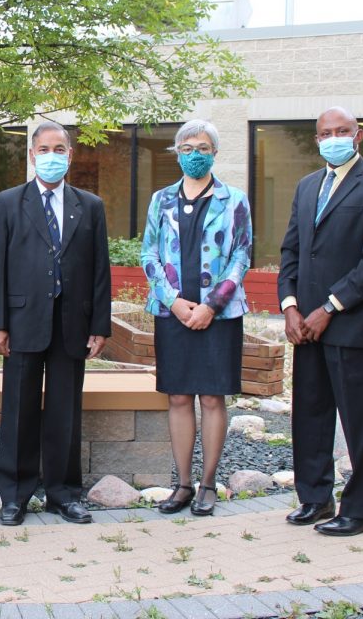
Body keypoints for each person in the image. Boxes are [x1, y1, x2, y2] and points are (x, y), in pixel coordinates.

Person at [280, 106, 363, 537]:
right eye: (325, 132)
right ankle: (315, 499)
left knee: (360, 421)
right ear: (317, 140)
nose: (334, 137)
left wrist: (329, 307)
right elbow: (291, 252)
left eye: (342, 130)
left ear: (358, 136)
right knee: (309, 415)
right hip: (305, 326)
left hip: (348, 324)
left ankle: (361, 510)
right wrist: (291, 306)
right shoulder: (307, 186)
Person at [0, 120, 112, 525]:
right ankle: (15, 495)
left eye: (60, 149)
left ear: (70, 155)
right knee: (18, 409)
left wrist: (101, 325)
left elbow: (99, 270)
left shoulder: (89, 205)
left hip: (72, 322)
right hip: (23, 321)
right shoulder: (8, 201)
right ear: (31, 155)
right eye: (44, 149)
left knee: (64, 410)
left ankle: (62, 493)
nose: (52, 156)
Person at [141, 119, 251, 517]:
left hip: (218, 316)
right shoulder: (161, 200)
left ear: (215, 152)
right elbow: (148, 254)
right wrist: (173, 301)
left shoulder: (234, 199)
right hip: (173, 314)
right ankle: (183, 484)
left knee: (212, 396)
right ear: (177, 152)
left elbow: (242, 255)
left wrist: (211, 306)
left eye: (202, 148)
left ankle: (208, 484)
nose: (194, 155)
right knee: (179, 396)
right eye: (186, 148)